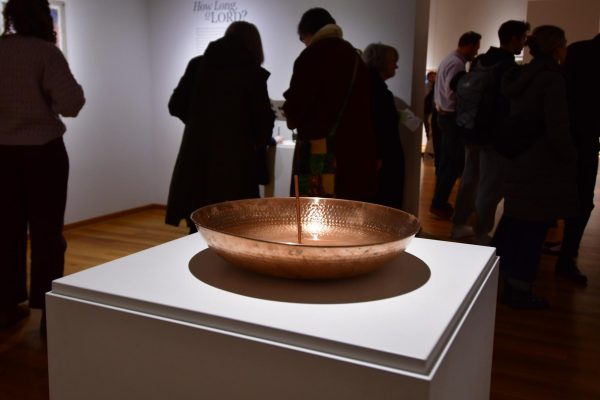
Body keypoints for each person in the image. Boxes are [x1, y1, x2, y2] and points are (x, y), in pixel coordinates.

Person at [0, 0, 85, 333]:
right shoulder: (46, 53)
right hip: (43, 154)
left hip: (2, 155)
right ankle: (49, 312)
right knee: (48, 234)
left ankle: (7, 305)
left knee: (5, 233)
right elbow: (72, 104)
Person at [492, 25, 578, 309]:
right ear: (556, 48)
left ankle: (500, 276)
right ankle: (519, 289)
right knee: (532, 230)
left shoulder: (523, 74)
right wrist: (570, 157)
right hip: (541, 165)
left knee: (516, 222)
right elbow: (557, 129)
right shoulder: (552, 79)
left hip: (518, 159)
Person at [166, 21, 275, 233]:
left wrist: (200, 125)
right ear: (254, 44)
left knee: (198, 227)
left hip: (197, 160)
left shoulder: (197, 65)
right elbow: (262, 123)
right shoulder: (252, 72)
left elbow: (175, 105)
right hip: (237, 165)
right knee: (239, 227)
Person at [283, 8, 378, 201]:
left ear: (308, 32)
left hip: (319, 154)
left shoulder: (310, 57)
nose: (304, 43)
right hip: (354, 154)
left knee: (314, 212)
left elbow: (296, 109)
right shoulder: (355, 57)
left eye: (302, 38)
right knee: (346, 215)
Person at [450, 20, 530, 244]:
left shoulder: (480, 61)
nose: (524, 43)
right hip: (493, 134)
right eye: (523, 38)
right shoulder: (508, 67)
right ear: (513, 38)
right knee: (489, 185)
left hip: (470, 128)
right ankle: (482, 232)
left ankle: (458, 224)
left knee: (468, 180)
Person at [554, 34, 600, 285]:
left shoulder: (578, 50)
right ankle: (566, 257)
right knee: (582, 201)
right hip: (582, 139)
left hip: (565, 138)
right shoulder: (583, 52)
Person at [429, 31, 481, 219]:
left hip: (443, 116)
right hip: (451, 118)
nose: (475, 52)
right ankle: (439, 204)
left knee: (447, 162)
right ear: (467, 45)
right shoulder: (457, 64)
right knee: (453, 163)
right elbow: (455, 89)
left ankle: (439, 202)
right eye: (475, 47)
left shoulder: (450, 59)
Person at [363, 43, 405, 210]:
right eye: (393, 61)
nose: (396, 65)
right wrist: (378, 155)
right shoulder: (378, 91)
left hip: (380, 157)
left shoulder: (370, 87)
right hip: (383, 160)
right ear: (381, 62)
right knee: (384, 205)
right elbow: (379, 127)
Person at [424, 71, 439, 166]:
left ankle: (430, 154)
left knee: (431, 133)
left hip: (430, 113)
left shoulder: (433, 89)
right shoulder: (429, 89)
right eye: (433, 76)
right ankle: (429, 154)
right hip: (430, 113)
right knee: (431, 133)